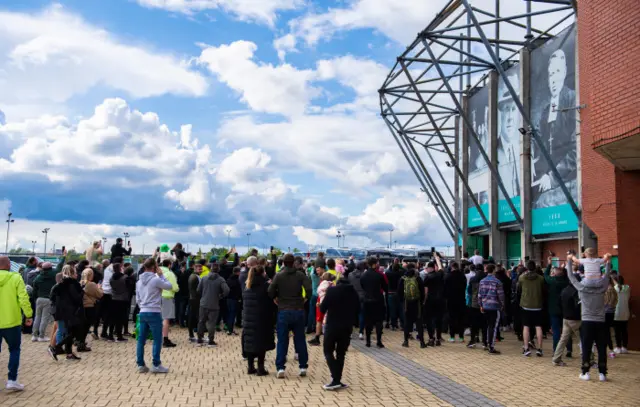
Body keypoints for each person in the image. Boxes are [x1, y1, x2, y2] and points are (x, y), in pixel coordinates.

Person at [567, 254, 611, 381]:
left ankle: (585, 372)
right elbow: (607, 275)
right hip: (601, 321)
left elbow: (570, 276)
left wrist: (569, 262)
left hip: (586, 321)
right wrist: (607, 262)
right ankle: (602, 373)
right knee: (602, 347)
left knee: (586, 347)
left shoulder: (582, 286)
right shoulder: (603, 286)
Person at [268, 253, 312, 379]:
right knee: (300, 339)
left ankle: (280, 367)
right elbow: (309, 289)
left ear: (283, 263)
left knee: (282, 340)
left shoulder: (279, 276)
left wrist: (276, 299)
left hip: (283, 310)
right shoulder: (300, 275)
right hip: (298, 309)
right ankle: (303, 366)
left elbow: (270, 291)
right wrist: (305, 299)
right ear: (293, 263)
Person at [320, 272, 360, 391]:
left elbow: (323, 308)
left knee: (327, 350)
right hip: (346, 327)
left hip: (332, 326)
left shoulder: (332, 291)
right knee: (341, 353)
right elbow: (358, 309)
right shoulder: (353, 293)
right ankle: (337, 379)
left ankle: (335, 378)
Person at [0, 256, 33, 391]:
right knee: (14, 350)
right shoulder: (15, 278)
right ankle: (12, 380)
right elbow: (23, 298)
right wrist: (29, 315)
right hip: (11, 322)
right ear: (8, 265)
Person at [136, 258, 173, 373]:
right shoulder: (156, 280)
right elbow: (169, 286)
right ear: (154, 267)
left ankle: (141, 364)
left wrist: (143, 305)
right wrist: (161, 275)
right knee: (157, 339)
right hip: (154, 311)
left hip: (143, 311)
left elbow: (138, 299)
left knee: (141, 339)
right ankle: (156, 364)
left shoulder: (138, 281)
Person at [242, 265, 276, 376]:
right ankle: (260, 368)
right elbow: (271, 299)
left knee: (250, 342)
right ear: (263, 273)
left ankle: (250, 366)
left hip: (248, 318)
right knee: (261, 342)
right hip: (262, 318)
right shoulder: (265, 286)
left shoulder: (247, 286)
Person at [49, 265, 84, 361]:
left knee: (67, 332)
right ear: (72, 273)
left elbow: (52, 297)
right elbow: (77, 298)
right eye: (76, 273)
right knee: (71, 332)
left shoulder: (59, 284)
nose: (77, 275)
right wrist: (82, 291)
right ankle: (55, 348)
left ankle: (68, 353)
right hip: (70, 312)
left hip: (61, 311)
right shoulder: (73, 284)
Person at [551, 273, 581, 367]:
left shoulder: (564, 290)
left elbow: (558, 303)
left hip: (566, 318)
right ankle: (590, 359)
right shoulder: (577, 292)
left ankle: (556, 359)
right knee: (584, 339)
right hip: (576, 319)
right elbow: (578, 306)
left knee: (563, 339)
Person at [196, 262, 230, 347]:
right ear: (218, 270)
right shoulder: (220, 279)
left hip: (203, 303)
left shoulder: (204, 278)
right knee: (212, 323)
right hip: (214, 304)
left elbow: (198, 290)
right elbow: (227, 290)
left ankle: (199, 339)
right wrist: (220, 296)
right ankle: (210, 341)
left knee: (201, 321)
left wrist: (204, 295)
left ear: (210, 269)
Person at [544, 258, 571, 354]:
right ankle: (569, 349)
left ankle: (556, 350)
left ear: (554, 274)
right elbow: (568, 275)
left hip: (554, 309)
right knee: (567, 331)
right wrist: (567, 267)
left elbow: (545, 275)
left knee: (556, 331)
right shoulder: (567, 281)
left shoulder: (552, 281)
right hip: (565, 310)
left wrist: (549, 265)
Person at [360, 257, 388, 348]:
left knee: (368, 321)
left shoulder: (363, 275)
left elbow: (363, 286)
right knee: (379, 321)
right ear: (374, 264)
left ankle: (368, 341)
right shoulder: (379, 275)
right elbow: (385, 288)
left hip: (367, 300)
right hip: (378, 300)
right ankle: (379, 341)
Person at [519, 260, 545, 356]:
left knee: (526, 327)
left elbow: (519, 289)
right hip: (538, 305)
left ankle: (526, 348)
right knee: (538, 327)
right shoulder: (541, 279)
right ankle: (540, 349)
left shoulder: (522, 278)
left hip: (525, 305)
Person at [477, 264, 504, 354]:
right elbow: (501, 295)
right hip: (494, 306)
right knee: (493, 326)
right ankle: (491, 346)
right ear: (493, 270)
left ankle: (487, 343)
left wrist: (480, 305)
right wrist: (502, 304)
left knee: (488, 325)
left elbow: (479, 295)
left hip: (485, 306)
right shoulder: (497, 282)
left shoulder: (482, 281)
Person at [398, 263, 426, 348]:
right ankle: (422, 342)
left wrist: (403, 301)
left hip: (407, 304)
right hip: (417, 304)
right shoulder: (418, 279)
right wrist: (421, 301)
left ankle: (406, 341)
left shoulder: (402, 279)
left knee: (407, 323)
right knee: (419, 323)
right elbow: (422, 292)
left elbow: (399, 292)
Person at [31, 262, 57, 342]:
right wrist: (63, 257)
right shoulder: (53, 275)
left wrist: (35, 298)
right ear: (50, 268)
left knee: (37, 317)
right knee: (44, 318)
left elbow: (34, 290)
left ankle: (34, 335)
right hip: (48, 299)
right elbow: (59, 267)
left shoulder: (38, 277)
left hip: (39, 299)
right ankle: (41, 336)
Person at [308, 271, 335, 346]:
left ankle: (318, 338)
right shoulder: (332, 285)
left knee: (319, 321)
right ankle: (319, 338)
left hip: (321, 303)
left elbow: (320, 293)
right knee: (324, 321)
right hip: (327, 304)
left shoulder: (324, 284)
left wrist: (319, 303)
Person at [423, 256, 445, 346]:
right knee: (438, 319)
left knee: (429, 320)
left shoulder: (427, 277)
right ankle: (438, 338)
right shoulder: (439, 274)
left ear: (430, 268)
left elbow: (426, 291)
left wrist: (424, 301)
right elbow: (440, 267)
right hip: (440, 300)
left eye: (426, 268)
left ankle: (431, 338)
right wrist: (437, 259)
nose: (426, 269)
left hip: (430, 300)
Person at [79, 268, 102, 352]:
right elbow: (99, 295)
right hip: (89, 306)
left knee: (82, 326)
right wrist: (99, 288)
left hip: (82, 306)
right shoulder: (91, 284)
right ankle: (81, 344)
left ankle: (79, 342)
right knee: (86, 326)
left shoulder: (80, 283)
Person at [444, 261, 467, 343]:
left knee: (451, 318)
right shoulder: (462, 276)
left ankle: (452, 337)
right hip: (461, 299)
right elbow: (465, 286)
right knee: (461, 319)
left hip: (450, 300)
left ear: (451, 267)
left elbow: (445, 288)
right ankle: (461, 337)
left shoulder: (448, 276)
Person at [159, 259, 179, 348]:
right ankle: (165, 339)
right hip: (167, 297)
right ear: (169, 265)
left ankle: (157, 337)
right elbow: (174, 287)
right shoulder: (170, 274)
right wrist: (177, 289)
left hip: (157, 297)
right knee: (166, 319)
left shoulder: (157, 272)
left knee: (158, 318)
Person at [466, 264, 486, 349]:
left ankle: (473, 340)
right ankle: (485, 342)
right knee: (485, 324)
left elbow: (469, 291)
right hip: (485, 304)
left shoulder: (472, 279)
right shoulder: (486, 278)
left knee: (473, 323)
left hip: (475, 303)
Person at [109, 263, 130, 342]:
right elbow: (128, 287)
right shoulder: (125, 278)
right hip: (123, 300)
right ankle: (119, 336)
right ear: (121, 268)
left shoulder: (111, 278)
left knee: (113, 318)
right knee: (120, 319)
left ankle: (110, 335)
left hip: (113, 299)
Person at [348, 261, 366, 340]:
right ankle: (361, 333)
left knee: (351, 315)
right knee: (361, 315)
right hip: (362, 296)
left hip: (352, 296)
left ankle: (350, 333)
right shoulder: (364, 275)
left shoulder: (350, 275)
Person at [385, 260, 404, 331]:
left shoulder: (388, 273)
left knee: (392, 310)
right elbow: (404, 269)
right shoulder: (401, 273)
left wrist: (390, 266)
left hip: (390, 293)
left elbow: (387, 271)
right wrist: (400, 265)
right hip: (399, 293)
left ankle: (393, 325)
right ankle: (402, 325)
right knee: (401, 309)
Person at [613, 276, 630, 354]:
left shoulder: (614, 288)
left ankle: (618, 347)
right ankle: (625, 347)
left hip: (616, 312)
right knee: (624, 330)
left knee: (617, 331)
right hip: (625, 312)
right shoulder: (627, 288)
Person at [187, 263, 203, 342]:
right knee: (194, 317)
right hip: (195, 300)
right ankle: (193, 335)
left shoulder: (195, 276)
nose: (201, 270)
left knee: (193, 317)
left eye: (201, 269)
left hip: (194, 299)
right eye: (199, 269)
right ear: (195, 269)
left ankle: (192, 335)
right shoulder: (194, 277)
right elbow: (195, 290)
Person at [603, 277, 618, 358]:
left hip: (605, 313)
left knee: (605, 332)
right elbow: (615, 301)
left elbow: (604, 302)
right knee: (608, 331)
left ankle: (609, 350)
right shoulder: (614, 290)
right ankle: (611, 350)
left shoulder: (606, 290)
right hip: (612, 312)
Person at [225, 267, 241, 335]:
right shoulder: (237, 280)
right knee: (232, 314)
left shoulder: (228, 279)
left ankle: (229, 329)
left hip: (228, 299)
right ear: (237, 272)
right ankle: (230, 330)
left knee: (229, 314)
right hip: (234, 299)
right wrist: (239, 298)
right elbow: (239, 291)